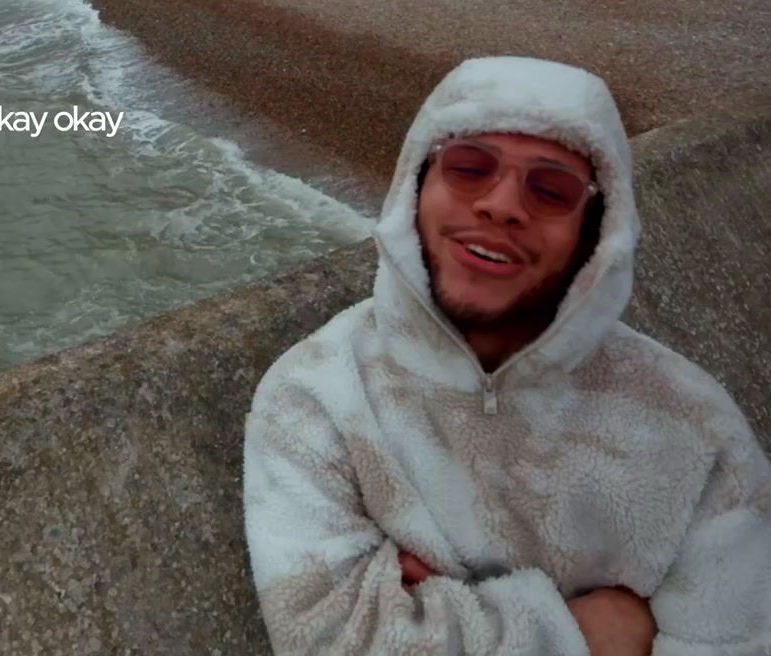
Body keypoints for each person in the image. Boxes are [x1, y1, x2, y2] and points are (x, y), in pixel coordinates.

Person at [243, 56, 771, 655]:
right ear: (415, 187)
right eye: (469, 167)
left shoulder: (691, 427)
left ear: (597, 233)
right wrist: (591, 635)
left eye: (550, 189)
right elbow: (329, 640)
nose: (500, 205)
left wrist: (442, 622)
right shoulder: (316, 395)